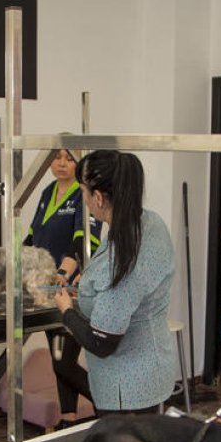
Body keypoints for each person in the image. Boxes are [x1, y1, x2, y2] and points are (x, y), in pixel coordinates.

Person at [52, 150, 177, 414]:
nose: (83, 199)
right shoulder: (150, 223)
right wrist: (89, 288)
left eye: (83, 192)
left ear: (98, 197)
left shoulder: (122, 260)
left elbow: (101, 342)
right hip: (153, 371)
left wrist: (67, 310)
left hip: (127, 390)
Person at [23, 148, 103, 425]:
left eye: (69, 158)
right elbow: (32, 237)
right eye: (57, 157)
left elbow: (85, 240)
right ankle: (68, 421)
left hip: (72, 291)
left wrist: (62, 273)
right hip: (47, 291)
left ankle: (112, 408)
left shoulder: (85, 195)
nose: (61, 163)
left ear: (79, 162)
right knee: (59, 361)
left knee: (63, 362)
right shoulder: (47, 193)